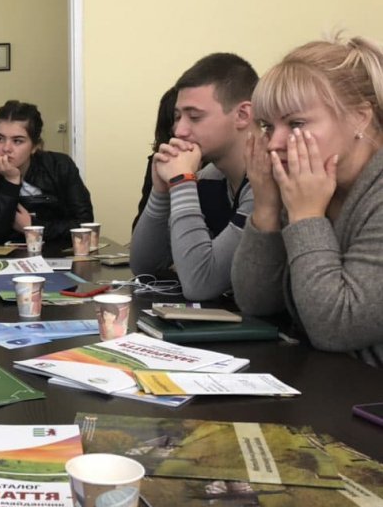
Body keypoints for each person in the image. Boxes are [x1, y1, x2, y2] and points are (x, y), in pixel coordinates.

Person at [232, 36, 383, 366]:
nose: (275, 143)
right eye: (267, 126)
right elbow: (256, 302)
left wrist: (306, 216)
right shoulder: (307, 180)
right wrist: (267, 207)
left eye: (296, 123)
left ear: (359, 117)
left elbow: (336, 328)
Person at [130, 53, 258, 300]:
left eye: (195, 117)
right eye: (178, 116)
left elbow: (200, 284)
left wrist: (182, 183)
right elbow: (145, 267)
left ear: (243, 115)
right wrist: (160, 192)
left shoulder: (267, 183)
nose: (179, 131)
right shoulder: (208, 178)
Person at [0, 99, 93, 244]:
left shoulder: (60, 166)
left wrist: (32, 226)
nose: (6, 148)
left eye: (17, 141)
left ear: (34, 147)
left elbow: (85, 226)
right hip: (1, 255)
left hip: (54, 252)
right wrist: (11, 181)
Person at [132, 87, 177, 230]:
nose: (183, 129)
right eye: (178, 118)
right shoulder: (160, 161)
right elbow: (139, 226)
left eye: (195, 117)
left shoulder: (215, 168)